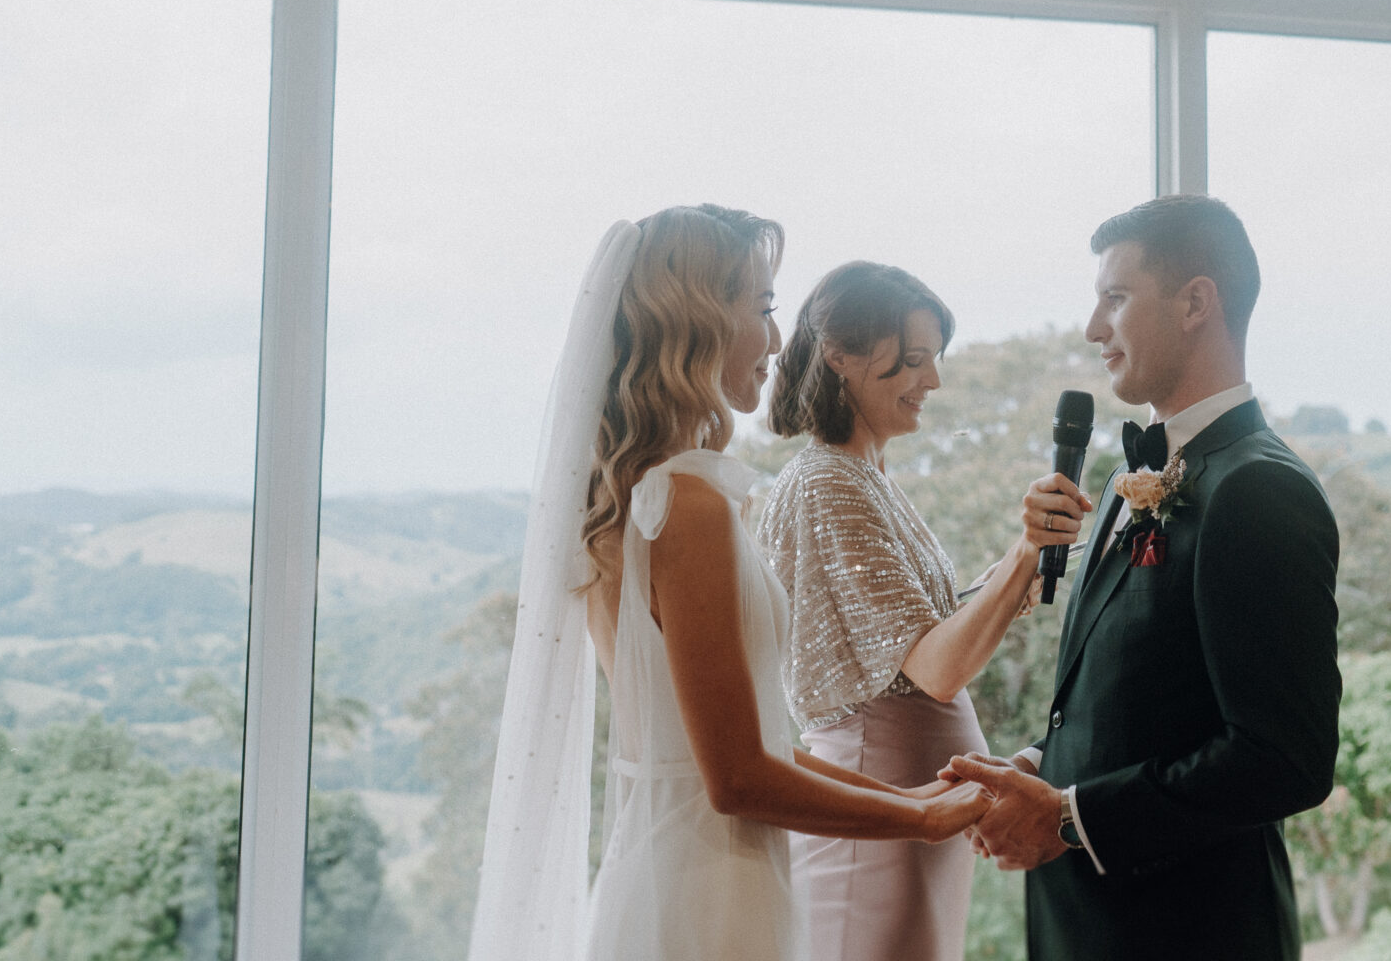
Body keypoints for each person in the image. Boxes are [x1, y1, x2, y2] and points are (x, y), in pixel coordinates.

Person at [466, 209, 987, 961]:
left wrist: (908, 797)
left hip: (669, 868)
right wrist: (924, 823)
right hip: (712, 889)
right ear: (700, 320)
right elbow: (737, 778)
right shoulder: (688, 505)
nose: (778, 341)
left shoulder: (636, 493)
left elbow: (754, 742)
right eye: (764, 309)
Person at [945, 194, 1340, 961]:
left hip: (1189, 933)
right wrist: (1037, 766)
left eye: (1115, 299)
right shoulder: (1141, 472)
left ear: (1196, 302)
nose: (1094, 329)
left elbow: (1282, 757)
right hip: (1089, 927)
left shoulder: (1259, 489)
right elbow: (1146, 693)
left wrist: (1069, 817)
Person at [755, 261, 1090, 961]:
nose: (932, 382)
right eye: (912, 361)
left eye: (934, 360)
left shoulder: (866, 474)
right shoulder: (827, 482)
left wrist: (1007, 576)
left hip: (919, 805)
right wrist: (1027, 549)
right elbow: (933, 670)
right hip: (885, 796)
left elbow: (908, 638)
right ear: (839, 356)